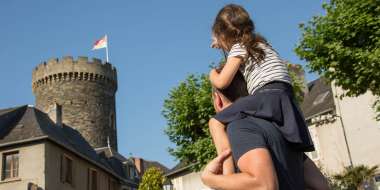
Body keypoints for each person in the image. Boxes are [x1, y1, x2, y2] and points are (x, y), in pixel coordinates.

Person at [208, 4, 315, 176]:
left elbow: (222, 82)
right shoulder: (262, 44)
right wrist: (220, 41)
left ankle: (229, 176)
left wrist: (212, 74)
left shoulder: (239, 47)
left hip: (266, 94)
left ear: (224, 35)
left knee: (215, 123)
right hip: (285, 97)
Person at [201, 69, 330, 189]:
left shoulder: (240, 127)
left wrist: (211, 179)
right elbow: (322, 185)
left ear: (217, 100)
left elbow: (265, 185)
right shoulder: (281, 128)